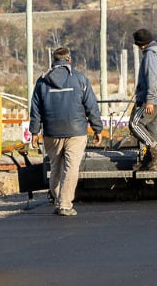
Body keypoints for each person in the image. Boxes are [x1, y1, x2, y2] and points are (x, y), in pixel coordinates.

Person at [27, 46, 105, 217]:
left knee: (55, 166)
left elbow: (35, 110)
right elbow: (91, 106)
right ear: (69, 60)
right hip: (76, 131)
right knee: (71, 168)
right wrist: (97, 128)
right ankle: (65, 204)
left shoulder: (41, 81)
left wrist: (34, 132)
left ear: (53, 61)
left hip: (51, 132)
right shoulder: (80, 79)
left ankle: (57, 198)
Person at [129, 28, 157, 169]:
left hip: (151, 101)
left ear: (141, 44)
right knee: (150, 129)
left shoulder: (151, 55)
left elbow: (153, 79)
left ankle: (155, 148)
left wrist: (149, 100)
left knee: (134, 124)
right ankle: (150, 162)